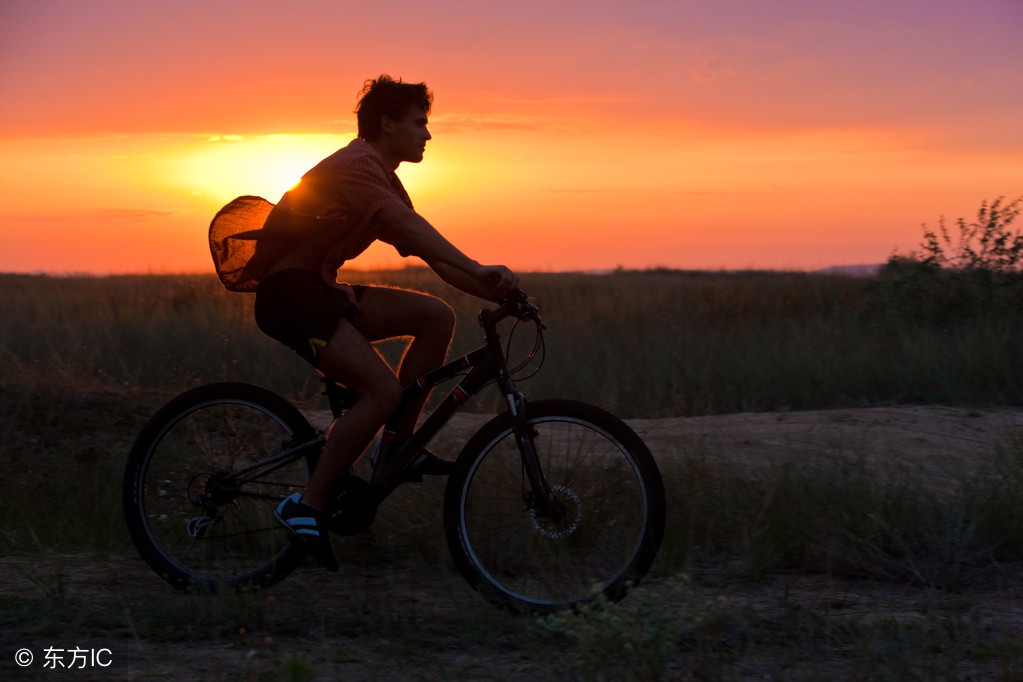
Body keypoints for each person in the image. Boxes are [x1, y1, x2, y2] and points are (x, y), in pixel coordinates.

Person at [252, 75, 519, 570]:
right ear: (387, 123)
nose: (428, 135)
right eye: (420, 123)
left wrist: (499, 291)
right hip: (292, 297)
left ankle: (398, 449)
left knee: (435, 316)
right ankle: (306, 505)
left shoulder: (383, 178)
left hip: (324, 292)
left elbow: (431, 256)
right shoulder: (357, 164)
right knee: (381, 392)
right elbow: (406, 227)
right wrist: (479, 264)